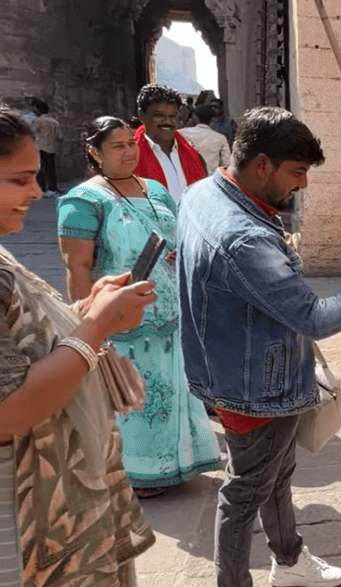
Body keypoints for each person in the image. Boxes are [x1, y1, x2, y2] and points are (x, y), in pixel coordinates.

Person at [176, 106, 341, 587]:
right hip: (253, 384)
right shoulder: (245, 237)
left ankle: (288, 558)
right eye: (296, 173)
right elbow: (314, 317)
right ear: (262, 164)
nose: (302, 185)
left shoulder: (203, 193)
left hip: (240, 367)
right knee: (245, 491)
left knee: (275, 475)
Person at [0, 106, 158, 587]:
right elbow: (5, 412)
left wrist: (91, 317)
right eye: (18, 178)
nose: (32, 191)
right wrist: (92, 330)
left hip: (63, 510)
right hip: (27, 536)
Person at [57, 116, 221, 497]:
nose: (129, 151)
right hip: (121, 321)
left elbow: (174, 239)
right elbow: (76, 266)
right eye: (117, 146)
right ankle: (134, 475)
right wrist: (87, 325)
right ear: (94, 153)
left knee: (171, 391)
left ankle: (176, 463)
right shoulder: (83, 201)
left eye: (131, 143)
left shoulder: (156, 191)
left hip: (169, 315)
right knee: (131, 398)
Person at [132, 84, 205, 205]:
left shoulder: (191, 153)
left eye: (172, 116)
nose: (167, 122)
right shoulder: (130, 157)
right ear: (141, 115)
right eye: (159, 116)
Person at [179, 103, 231, 176]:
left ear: (195, 118)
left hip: (186, 180)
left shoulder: (181, 134)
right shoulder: (220, 138)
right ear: (211, 119)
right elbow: (226, 164)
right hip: (210, 181)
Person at [28, 101, 60, 197]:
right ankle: (52, 189)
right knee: (50, 168)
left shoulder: (38, 121)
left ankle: (42, 188)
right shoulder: (55, 122)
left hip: (40, 146)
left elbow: (31, 132)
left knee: (39, 168)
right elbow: (60, 136)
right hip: (51, 148)